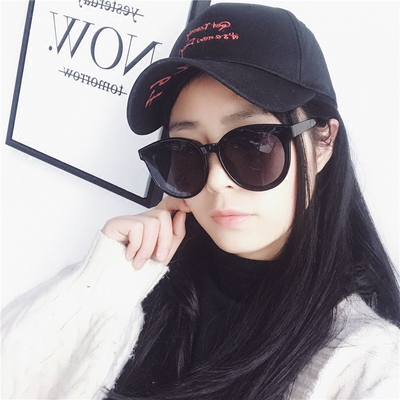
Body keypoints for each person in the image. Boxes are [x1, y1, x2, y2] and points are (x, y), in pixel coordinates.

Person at [1, 3, 399, 399]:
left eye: (253, 144)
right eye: (187, 151)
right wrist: (101, 282)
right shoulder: (140, 285)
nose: (216, 181)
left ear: (323, 141)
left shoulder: (365, 365)